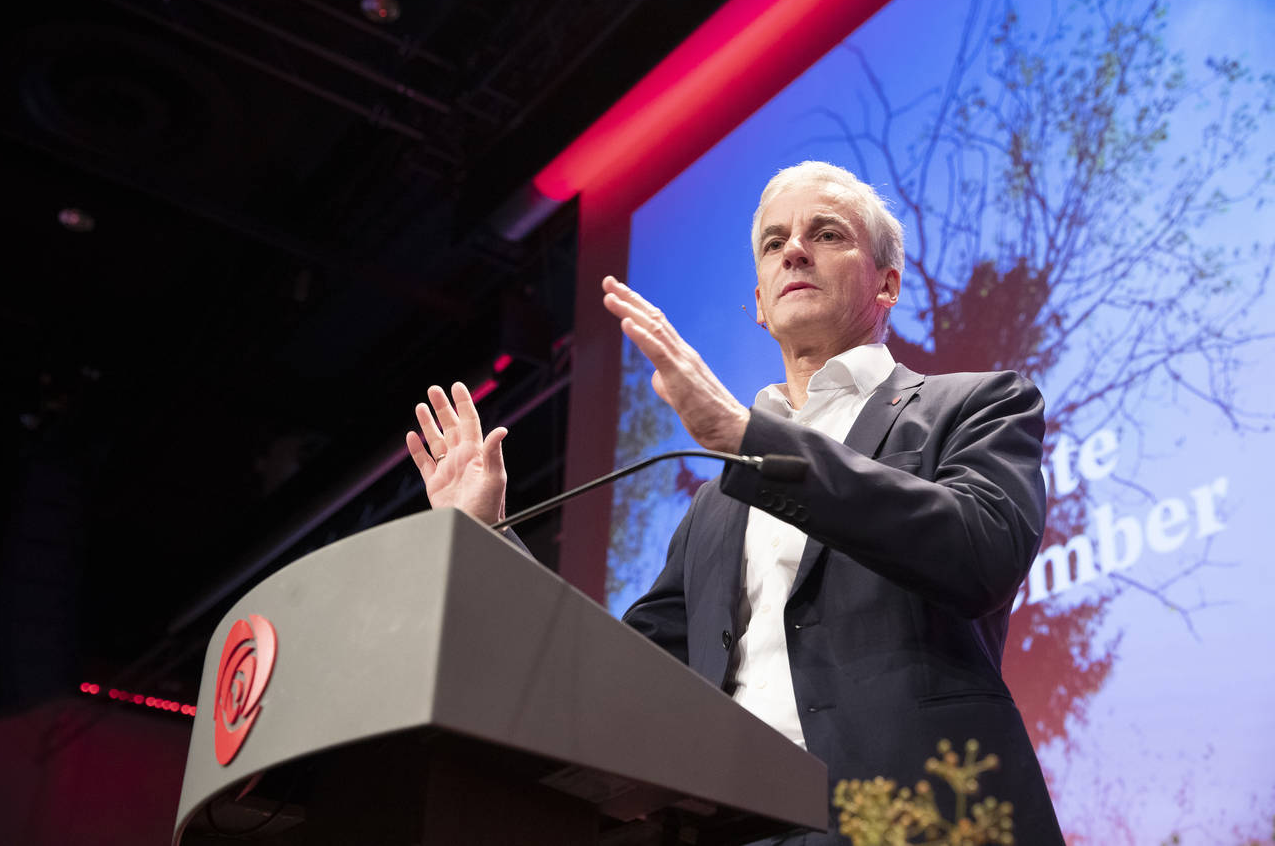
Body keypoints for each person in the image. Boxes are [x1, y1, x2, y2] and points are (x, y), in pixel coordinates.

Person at [406, 161, 1064, 844]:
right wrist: (486, 535)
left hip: (919, 821)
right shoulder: (715, 506)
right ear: (759, 300)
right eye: (775, 242)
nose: (795, 250)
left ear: (887, 282)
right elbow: (620, 673)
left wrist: (748, 438)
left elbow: (981, 552)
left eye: (827, 233)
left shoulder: (977, 404)